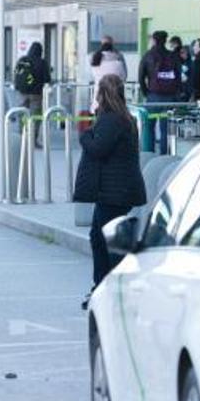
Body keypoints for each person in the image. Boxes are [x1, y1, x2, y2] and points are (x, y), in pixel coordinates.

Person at [74, 74, 147, 308]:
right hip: (119, 190)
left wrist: (84, 133)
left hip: (114, 191)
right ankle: (107, 287)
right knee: (103, 237)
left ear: (102, 94)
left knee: (104, 240)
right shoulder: (123, 117)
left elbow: (98, 148)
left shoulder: (111, 119)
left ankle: (109, 288)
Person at [138, 31, 180, 154]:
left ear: (154, 40)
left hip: (153, 97)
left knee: (149, 127)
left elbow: (141, 77)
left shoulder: (148, 56)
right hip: (169, 97)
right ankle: (164, 154)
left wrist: (147, 93)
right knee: (165, 129)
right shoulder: (172, 56)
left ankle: (149, 153)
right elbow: (178, 77)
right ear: (165, 40)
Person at [14, 42, 52, 147]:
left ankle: (22, 138)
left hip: (22, 92)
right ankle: (32, 140)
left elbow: (16, 75)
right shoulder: (42, 62)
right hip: (36, 94)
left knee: (23, 114)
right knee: (35, 117)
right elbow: (47, 79)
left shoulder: (22, 60)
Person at [89, 35, 126, 110]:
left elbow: (92, 76)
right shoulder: (119, 62)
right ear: (112, 45)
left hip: (99, 100)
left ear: (101, 44)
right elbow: (124, 77)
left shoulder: (95, 61)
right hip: (116, 100)